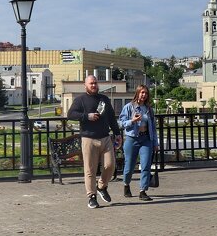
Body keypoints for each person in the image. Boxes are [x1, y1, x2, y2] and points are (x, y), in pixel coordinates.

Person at [67, 75, 121, 209]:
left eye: (95, 83)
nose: (94, 85)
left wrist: (117, 133)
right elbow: (70, 114)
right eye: (91, 83)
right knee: (90, 170)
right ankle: (91, 196)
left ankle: (101, 186)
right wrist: (86, 116)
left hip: (105, 137)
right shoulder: (80, 100)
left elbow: (111, 118)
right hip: (89, 139)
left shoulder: (104, 99)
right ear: (85, 85)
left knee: (110, 165)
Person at [118, 85, 160, 201]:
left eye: (146, 93)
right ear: (137, 93)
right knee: (129, 166)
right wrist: (132, 121)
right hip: (132, 139)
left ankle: (143, 191)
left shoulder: (149, 109)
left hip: (146, 139)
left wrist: (155, 143)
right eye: (142, 92)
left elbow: (153, 127)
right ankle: (126, 184)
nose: (144, 95)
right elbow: (120, 123)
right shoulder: (129, 107)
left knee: (146, 165)